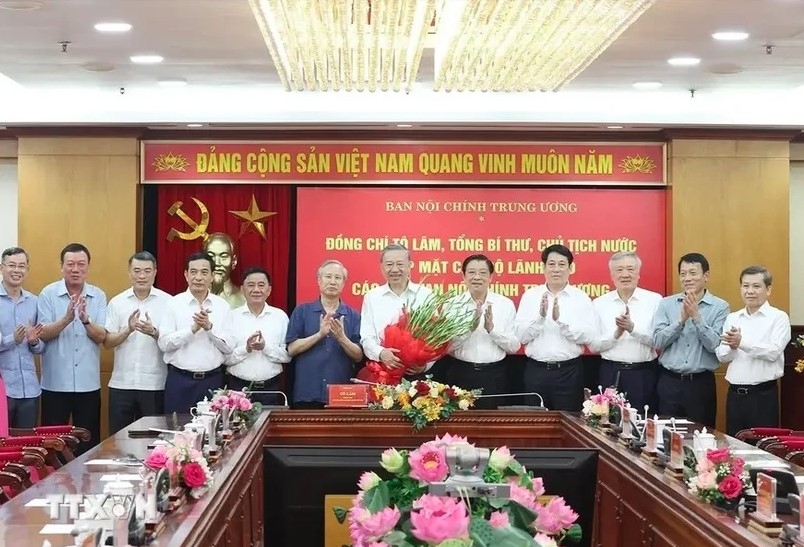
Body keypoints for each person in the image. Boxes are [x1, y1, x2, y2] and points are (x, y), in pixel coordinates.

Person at [38, 243, 107, 452]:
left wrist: (86, 321)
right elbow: (43, 333)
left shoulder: (99, 296)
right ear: (62, 267)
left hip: (88, 385)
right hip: (55, 384)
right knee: (53, 445)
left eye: (80, 264)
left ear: (88, 267)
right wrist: (67, 319)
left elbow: (101, 336)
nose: (75, 269)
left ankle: (86, 484)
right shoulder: (48, 294)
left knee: (87, 444)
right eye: (70, 264)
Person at [515, 244, 595, 411]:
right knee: (535, 423)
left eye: (561, 264)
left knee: (569, 423)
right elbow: (521, 337)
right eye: (551, 264)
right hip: (536, 371)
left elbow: (587, 336)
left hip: (569, 372)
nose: (556, 269)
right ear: (543, 268)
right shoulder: (530, 296)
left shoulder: (580, 298)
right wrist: (541, 318)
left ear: (570, 268)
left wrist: (561, 321)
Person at [653, 253, 729, 428]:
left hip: (701, 384)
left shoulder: (720, 307)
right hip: (669, 382)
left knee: (702, 435)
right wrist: (680, 321)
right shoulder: (666, 304)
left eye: (693, 273)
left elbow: (715, 345)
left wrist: (696, 317)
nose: (687, 278)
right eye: (683, 273)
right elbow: (658, 342)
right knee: (667, 437)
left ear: (706, 276)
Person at [716, 266, 790, 436]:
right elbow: (722, 356)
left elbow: (774, 352)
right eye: (745, 286)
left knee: (763, 449)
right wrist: (732, 347)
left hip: (763, 396)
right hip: (735, 395)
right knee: (735, 447)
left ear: (768, 289)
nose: (750, 291)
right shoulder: (732, 317)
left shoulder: (778, 317)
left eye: (756, 286)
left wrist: (742, 343)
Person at [158, 252, 235, 413]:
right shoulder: (173, 304)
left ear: (212, 276)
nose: (198, 277)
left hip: (213, 381)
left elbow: (229, 347)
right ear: (186, 275)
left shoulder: (222, 306)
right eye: (193, 272)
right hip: (180, 381)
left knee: (214, 433)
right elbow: (164, 344)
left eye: (204, 272)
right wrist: (192, 330)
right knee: (177, 432)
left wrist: (209, 328)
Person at [103, 252, 171, 433]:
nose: (142, 276)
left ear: (155, 272)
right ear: (129, 272)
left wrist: (153, 332)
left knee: (154, 440)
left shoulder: (168, 302)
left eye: (147, 271)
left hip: (154, 385)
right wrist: (128, 330)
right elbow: (107, 342)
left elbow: (172, 343)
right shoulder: (117, 302)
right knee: (118, 440)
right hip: (121, 384)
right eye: (137, 271)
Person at [442, 254, 519, 408]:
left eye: (483, 273)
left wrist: (492, 330)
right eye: (471, 272)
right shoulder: (451, 305)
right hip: (460, 373)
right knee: (460, 425)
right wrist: (469, 328)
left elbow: (514, 347)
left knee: (493, 426)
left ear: (491, 277)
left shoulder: (505, 304)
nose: (477, 277)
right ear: (463, 276)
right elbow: (446, 347)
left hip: (494, 376)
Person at [589, 252, 662, 411]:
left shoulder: (655, 300)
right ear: (612, 275)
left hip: (643, 373)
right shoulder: (599, 303)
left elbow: (659, 341)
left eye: (630, 269)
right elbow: (593, 346)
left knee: (642, 422)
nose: (625, 274)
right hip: (610, 372)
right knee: (608, 423)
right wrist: (616, 335)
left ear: (638, 273)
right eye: (619, 270)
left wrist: (632, 329)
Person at [287, 260, 362, 409]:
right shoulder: (302, 311)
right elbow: (291, 349)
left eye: (338, 278)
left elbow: (359, 356)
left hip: (342, 395)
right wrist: (319, 335)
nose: (332, 282)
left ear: (343, 283)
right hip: (307, 394)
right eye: (328, 277)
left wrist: (342, 338)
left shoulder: (353, 315)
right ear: (319, 281)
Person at [360, 243, 434, 380]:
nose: (395, 269)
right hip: (383, 372)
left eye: (400, 264)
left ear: (410, 265)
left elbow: (435, 336)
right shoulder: (372, 297)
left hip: (416, 374)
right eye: (389, 264)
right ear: (381, 267)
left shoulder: (425, 295)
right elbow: (367, 336)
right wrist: (381, 353)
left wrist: (426, 365)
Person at [225, 267, 292, 406]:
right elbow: (225, 358)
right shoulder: (230, 317)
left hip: (271, 389)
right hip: (238, 389)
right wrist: (246, 348)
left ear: (269, 290)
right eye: (251, 285)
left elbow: (287, 356)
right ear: (242, 290)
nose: (256, 290)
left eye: (261, 285)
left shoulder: (280, 317)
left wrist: (264, 347)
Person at [0, 247, 44, 429]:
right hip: (3, 389)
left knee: (27, 446)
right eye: (12, 265)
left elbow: (42, 348)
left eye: (21, 266)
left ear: (27, 270)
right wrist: (13, 339)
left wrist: (34, 341)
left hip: (30, 389)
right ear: (1, 268)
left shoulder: (34, 301)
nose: (17, 270)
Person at [203, 232, 245, 309]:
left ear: (234, 261)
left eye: (224, 257)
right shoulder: (191, 298)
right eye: (211, 256)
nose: (217, 263)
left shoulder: (245, 299)